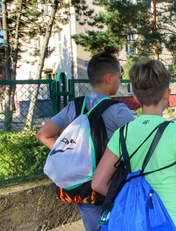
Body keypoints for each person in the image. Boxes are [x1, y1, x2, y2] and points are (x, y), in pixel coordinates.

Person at [91, 58, 176, 230]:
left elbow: (98, 184)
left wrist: (128, 200)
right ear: (167, 94)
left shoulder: (122, 133)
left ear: (134, 95)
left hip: (138, 223)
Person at [36, 46, 134, 231]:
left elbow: (43, 134)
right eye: (119, 77)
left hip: (83, 187)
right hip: (111, 186)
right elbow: (138, 145)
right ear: (109, 78)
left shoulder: (75, 106)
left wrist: (72, 157)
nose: (119, 82)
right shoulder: (119, 110)